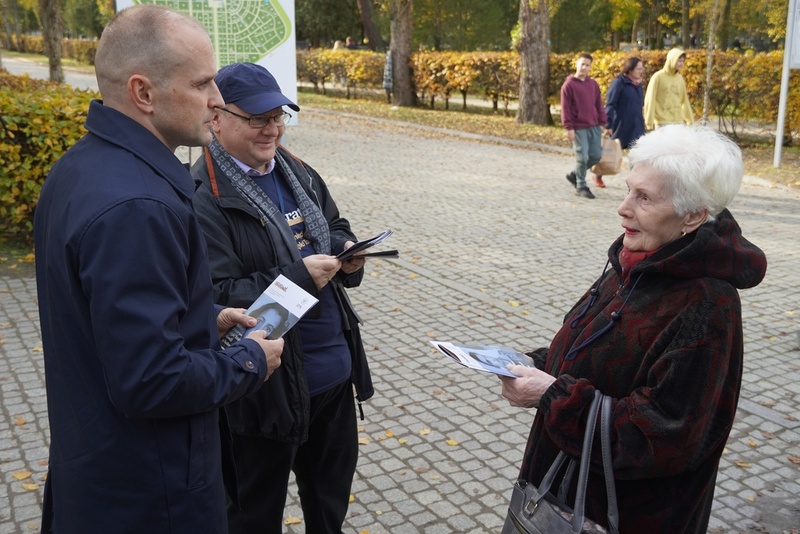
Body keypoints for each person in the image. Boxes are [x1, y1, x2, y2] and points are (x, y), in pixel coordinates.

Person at [33, 6, 285, 534]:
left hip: (102, 473)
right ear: (144, 93)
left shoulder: (82, 166)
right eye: (202, 83)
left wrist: (201, 318)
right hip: (151, 496)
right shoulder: (137, 205)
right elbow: (151, 381)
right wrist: (247, 361)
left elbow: (103, 317)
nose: (218, 100)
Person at [499, 125, 767, 533]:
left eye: (644, 197)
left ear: (693, 215)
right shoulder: (638, 261)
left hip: (624, 516)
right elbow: (597, 351)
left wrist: (553, 396)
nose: (623, 208)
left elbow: (667, 435)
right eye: (628, 189)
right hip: (565, 495)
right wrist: (533, 363)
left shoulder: (708, 305)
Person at [190, 62, 374, 534]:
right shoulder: (201, 196)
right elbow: (214, 297)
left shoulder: (297, 169)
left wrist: (346, 250)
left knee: (329, 509)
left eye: (278, 116)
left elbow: (334, 224)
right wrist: (297, 276)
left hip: (333, 379)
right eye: (258, 119)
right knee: (252, 517)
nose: (272, 129)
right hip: (262, 392)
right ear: (217, 118)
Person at [561, 53, 610, 199]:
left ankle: (575, 174)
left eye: (587, 65)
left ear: (590, 67)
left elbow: (598, 104)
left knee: (596, 155)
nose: (584, 67)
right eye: (582, 64)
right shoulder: (568, 85)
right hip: (578, 127)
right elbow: (566, 108)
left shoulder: (592, 84)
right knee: (582, 157)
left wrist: (602, 122)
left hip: (594, 125)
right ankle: (581, 185)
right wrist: (569, 128)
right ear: (576, 64)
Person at [597, 57, 646, 188]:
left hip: (636, 125)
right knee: (611, 152)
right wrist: (608, 124)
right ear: (630, 69)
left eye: (642, 68)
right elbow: (610, 104)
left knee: (637, 154)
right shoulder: (619, 83)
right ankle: (598, 174)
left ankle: (635, 183)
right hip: (621, 125)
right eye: (638, 68)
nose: (641, 71)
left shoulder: (638, 84)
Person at [644, 47, 694, 130]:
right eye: (678, 61)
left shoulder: (680, 79)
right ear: (671, 60)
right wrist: (649, 121)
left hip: (678, 122)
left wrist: (690, 120)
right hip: (662, 123)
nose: (681, 64)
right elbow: (650, 99)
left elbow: (684, 101)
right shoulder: (658, 77)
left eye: (682, 61)